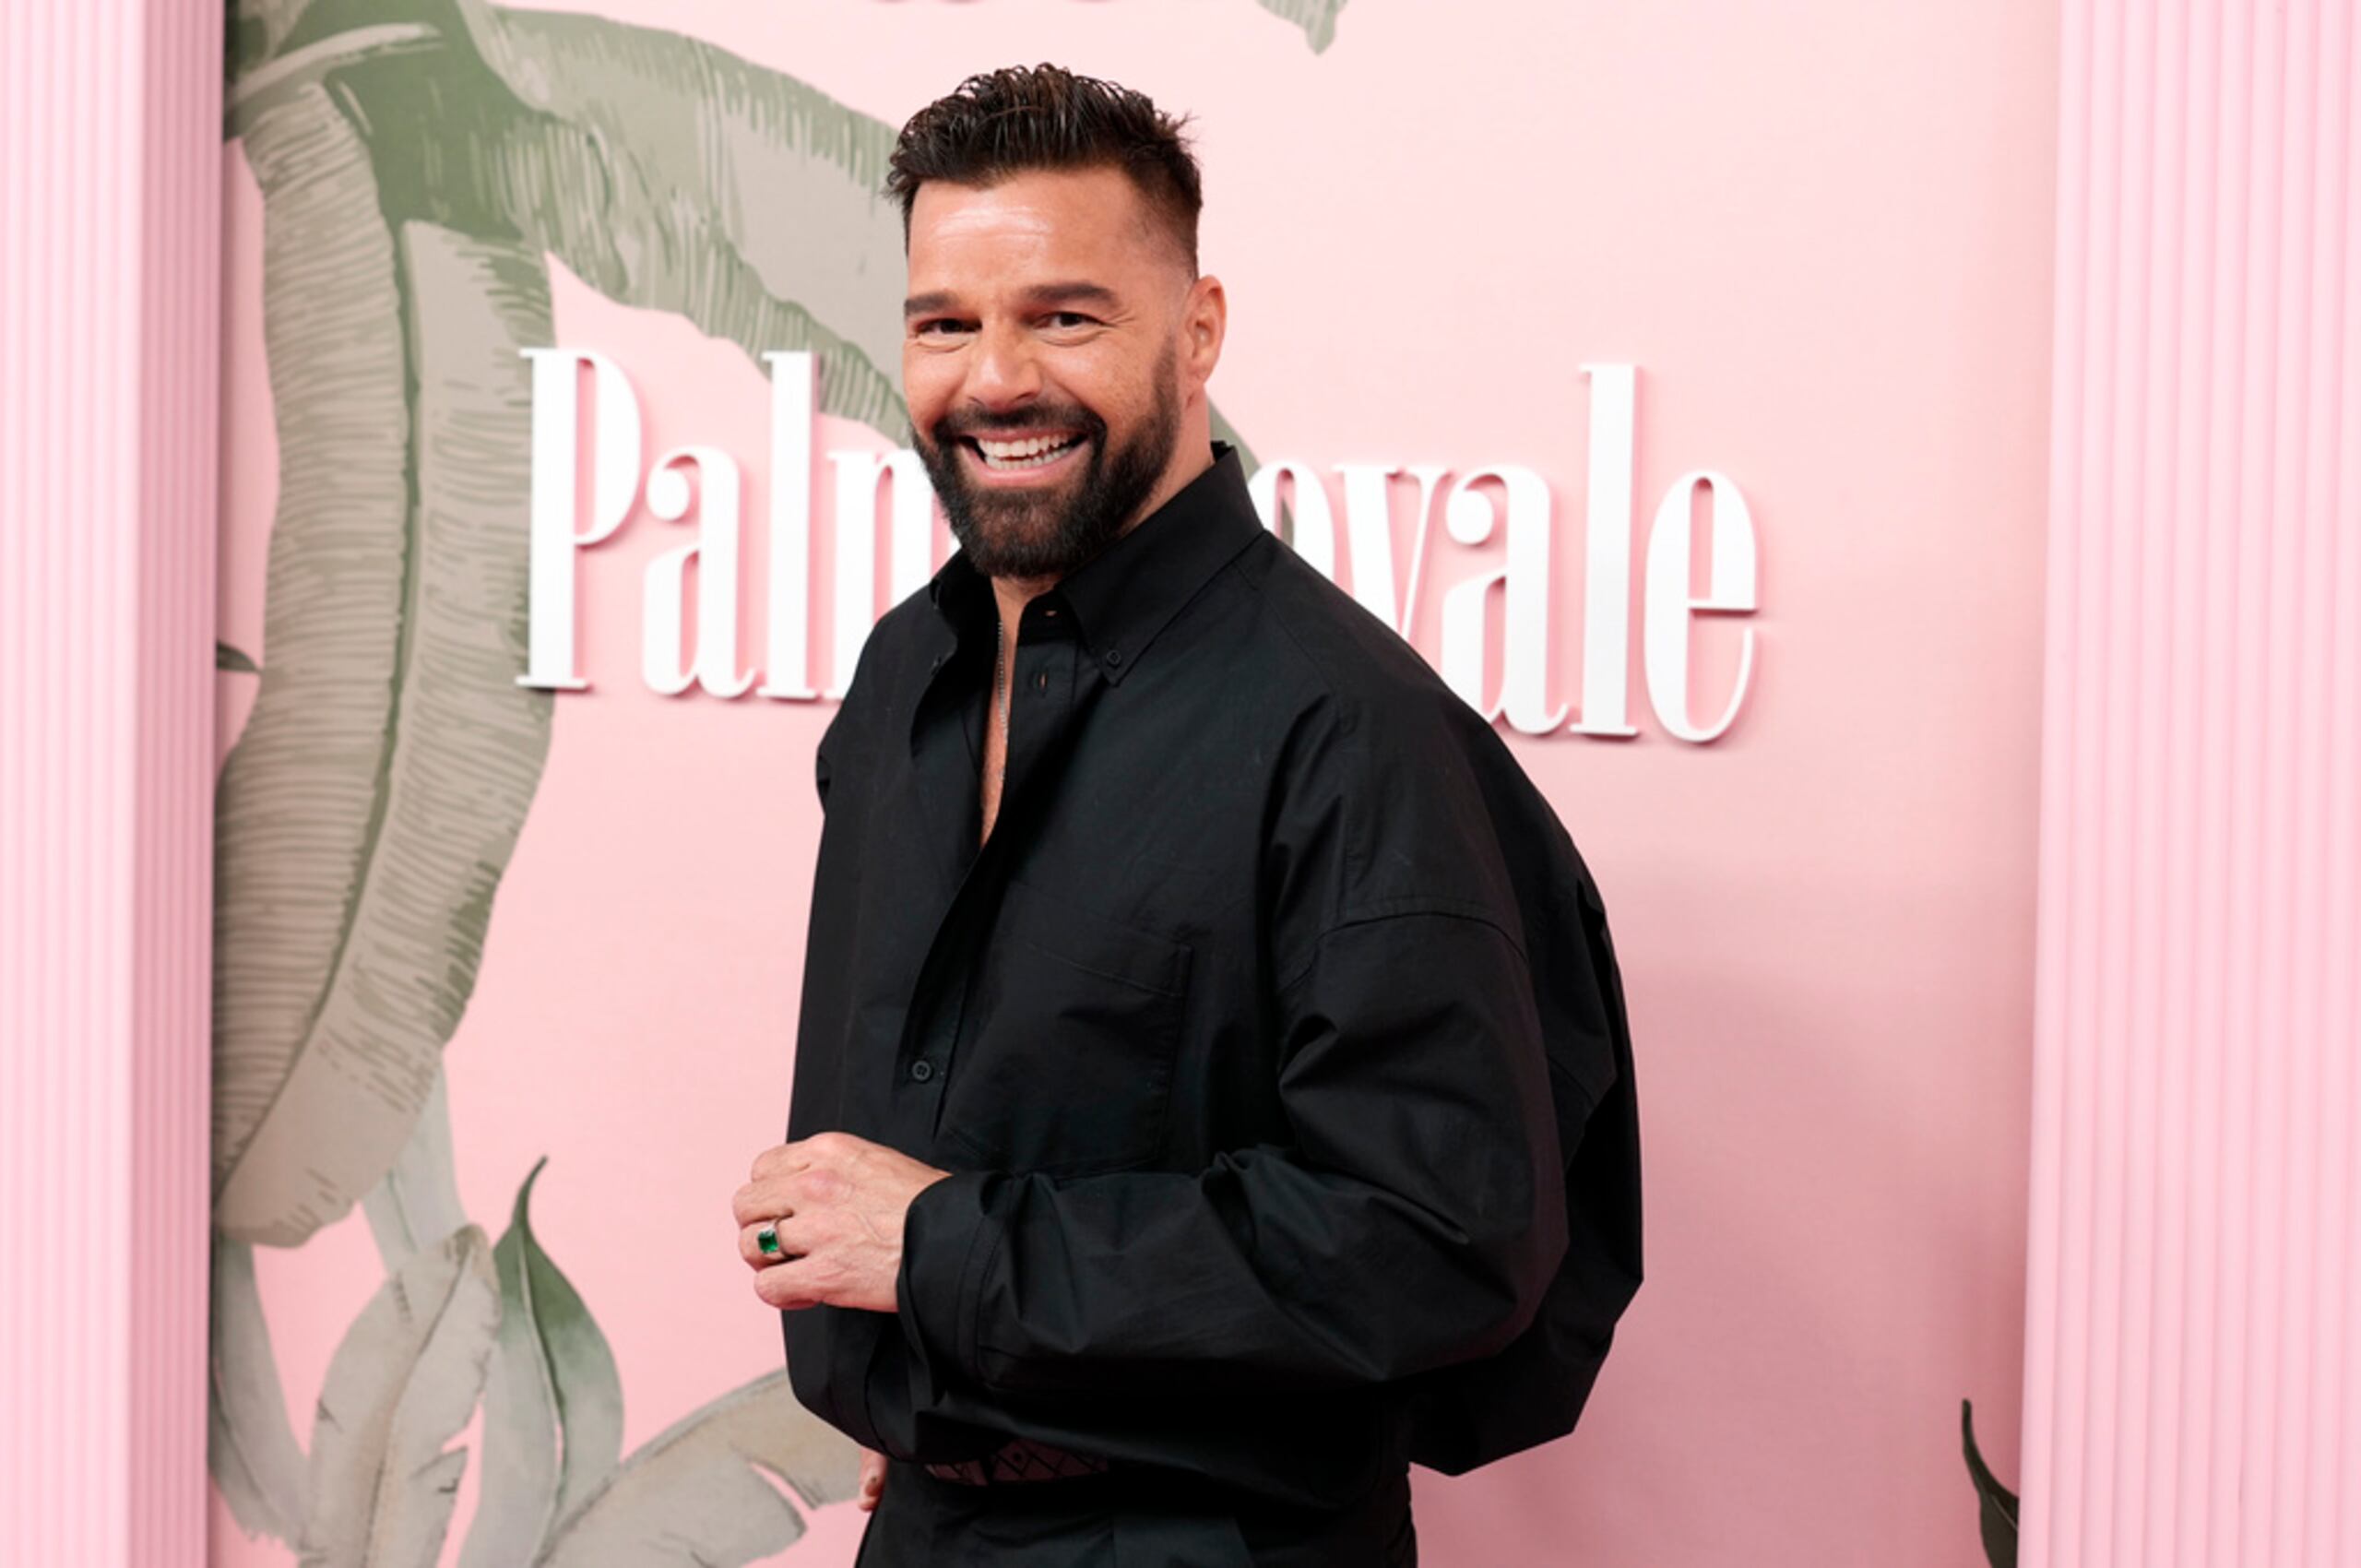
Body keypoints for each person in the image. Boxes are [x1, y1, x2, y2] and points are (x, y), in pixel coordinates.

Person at [730, 62, 1641, 1567]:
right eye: (945, 323)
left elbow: (1437, 1241)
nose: (996, 378)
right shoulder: (908, 677)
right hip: (935, 1521)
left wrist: (943, 1253)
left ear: (1199, 330)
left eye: (1063, 316)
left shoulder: (1353, 729)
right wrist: (947, 1402)